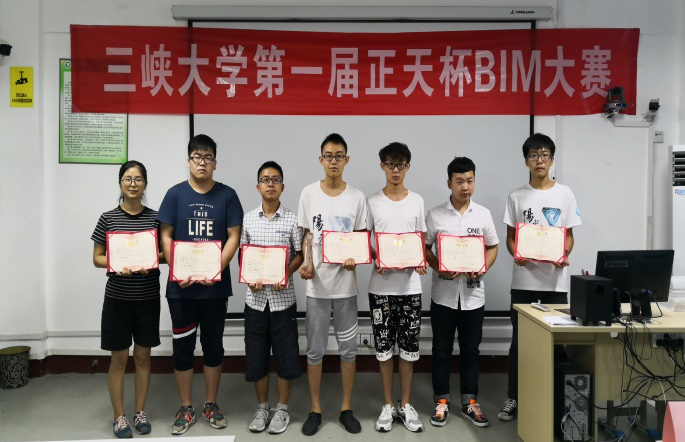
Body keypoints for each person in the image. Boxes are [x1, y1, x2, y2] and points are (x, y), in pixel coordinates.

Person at [157, 134, 243, 435]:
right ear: (189, 161)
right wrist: (178, 269)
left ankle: (210, 403)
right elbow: (165, 235)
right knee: (182, 347)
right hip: (180, 288)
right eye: (197, 157)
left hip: (214, 288)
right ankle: (186, 407)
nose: (202, 162)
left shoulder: (228, 195)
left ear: (215, 163)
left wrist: (215, 267)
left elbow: (234, 236)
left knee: (213, 346)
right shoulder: (174, 195)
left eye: (208, 157)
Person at [498, 133, 581, 421]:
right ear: (526, 161)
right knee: (519, 343)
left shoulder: (565, 194)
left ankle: (555, 400)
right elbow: (511, 238)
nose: (539, 160)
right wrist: (516, 254)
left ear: (552, 159)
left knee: (557, 342)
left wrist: (563, 254)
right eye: (534, 155)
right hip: (523, 283)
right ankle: (514, 396)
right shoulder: (516, 196)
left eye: (545, 155)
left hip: (555, 284)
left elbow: (569, 236)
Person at [297, 133, 368, 436]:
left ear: (346, 160)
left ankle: (346, 408)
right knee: (315, 351)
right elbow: (306, 236)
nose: (333, 161)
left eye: (339, 156)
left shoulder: (357, 197)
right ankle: (315, 409)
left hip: (346, 289)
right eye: (328, 156)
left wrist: (355, 258)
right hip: (317, 288)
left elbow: (361, 239)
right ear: (321, 160)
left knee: (348, 350)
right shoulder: (308, 193)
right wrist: (306, 262)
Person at [424, 157, 499, 428]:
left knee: (471, 350)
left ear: (474, 181)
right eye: (459, 181)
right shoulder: (435, 215)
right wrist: (440, 268)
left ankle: (470, 402)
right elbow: (425, 248)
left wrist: (482, 267)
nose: (465, 186)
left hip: (473, 297)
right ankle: (442, 401)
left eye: (469, 180)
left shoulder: (483, 214)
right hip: (443, 296)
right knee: (441, 349)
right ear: (449, 183)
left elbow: (492, 246)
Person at [91, 160, 162, 438]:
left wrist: (151, 259)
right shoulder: (108, 218)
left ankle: (140, 411)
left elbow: (166, 254)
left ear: (145, 184)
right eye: (128, 179)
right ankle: (118, 416)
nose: (133, 184)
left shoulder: (156, 218)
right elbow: (97, 257)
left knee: (143, 357)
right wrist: (117, 263)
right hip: (117, 299)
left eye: (138, 179)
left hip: (147, 298)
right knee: (119, 358)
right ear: (120, 183)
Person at [366, 142, 427, 432]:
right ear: (382, 166)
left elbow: (420, 240)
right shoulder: (372, 202)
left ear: (408, 167)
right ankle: (388, 405)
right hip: (380, 288)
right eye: (390, 164)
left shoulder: (417, 201)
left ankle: (406, 404)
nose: (396, 170)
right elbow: (365, 240)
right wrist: (375, 257)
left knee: (409, 348)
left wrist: (420, 261)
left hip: (410, 288)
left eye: (401, 165)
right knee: (383, 348)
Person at [241, 161, 304, 434]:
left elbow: (300, 255)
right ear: (258, 186)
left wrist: (285, 272)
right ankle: (262, 407)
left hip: (283, 301)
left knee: (286, 356)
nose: (270, 184)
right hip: (255, 301)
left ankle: (282, 409)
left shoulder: (292, 219)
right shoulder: (248, 218)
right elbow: (243, 254)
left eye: (275, 180)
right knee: (257, 357)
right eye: (265, 180)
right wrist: (249, 277)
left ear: (282, 187)